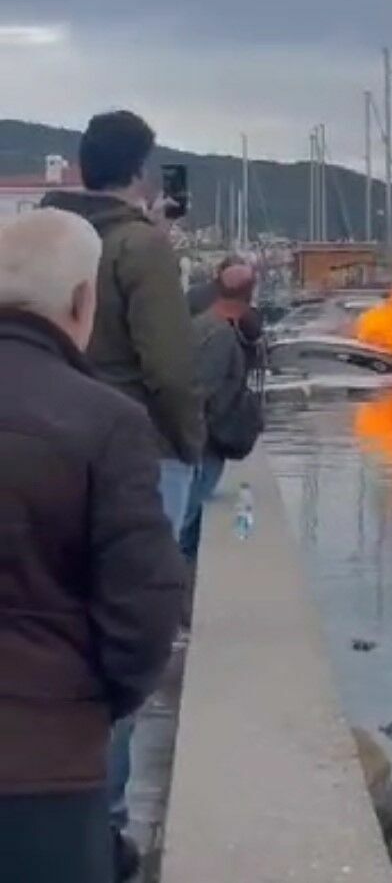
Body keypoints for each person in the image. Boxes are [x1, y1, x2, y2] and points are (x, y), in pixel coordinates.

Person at [41, 109, 204, 875]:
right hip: (134, 452)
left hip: (42, 444)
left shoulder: (42, 235)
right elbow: (170, 368)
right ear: (141, 171)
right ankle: (102, 827)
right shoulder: (142, 246)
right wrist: (191, 445)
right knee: (122, 640)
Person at [0, 211, 184, 883]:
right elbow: (145, 607)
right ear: (83, 303)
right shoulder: (105, 422)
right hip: (44, 772)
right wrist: (95, 705)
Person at [180, 257, 265, 565]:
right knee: (187, 515)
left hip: (197, 441)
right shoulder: (220, 336)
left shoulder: (203, 325)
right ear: (250, 294)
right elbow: (202, 391)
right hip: (205, 445)